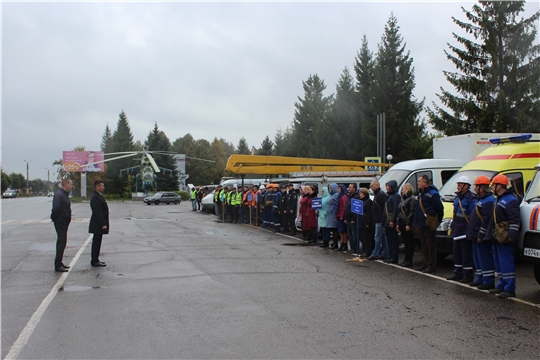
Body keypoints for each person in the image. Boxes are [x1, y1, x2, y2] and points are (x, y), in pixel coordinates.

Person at [486, 174, 521, 298]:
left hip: (505, 237)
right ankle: (501, 285)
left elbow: (515, 219)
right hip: (498, 236)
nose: (492, 188)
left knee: (506, 262)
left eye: (494, 185)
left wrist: (511, 235)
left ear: (499, 186)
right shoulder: (500, 199)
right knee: (499, 262)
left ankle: (509, 288)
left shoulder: (510, 200)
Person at [466, 176, 496, 289]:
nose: (474, 189)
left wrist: (481, 234)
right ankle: (480, 278)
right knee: (477, 258)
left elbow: (486, 220)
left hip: (481, 235)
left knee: (485, 257)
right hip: (475, 233)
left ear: (481, 188)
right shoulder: (481, 199)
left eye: (476, 186)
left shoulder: (488, 201)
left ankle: (488, 281)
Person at [447, 176, 477, 283]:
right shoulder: (457, 198)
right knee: (457, 253)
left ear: (466, 186)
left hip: (465, 231)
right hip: (457, 230)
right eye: (458, 185)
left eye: (460, 185)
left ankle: (468, 276)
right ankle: (457, 273)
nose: (458, 187)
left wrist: (469, 231)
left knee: (466, 255)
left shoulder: (471, 199)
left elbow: (473, 217)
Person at [413, 175, 444, 274]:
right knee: (424, 245)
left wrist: (437, 221)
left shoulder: (432, 194)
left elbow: (439, 208)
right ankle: (425, 263)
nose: (418, 183)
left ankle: (431, 266)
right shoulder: (422, 194)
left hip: (428, 223)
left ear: (425, 183)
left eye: (419, 181)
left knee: (431, 246)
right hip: (422, 223)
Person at [51, 178, 73, 272]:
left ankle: (60, 262)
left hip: (64, 221)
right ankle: (58, 264)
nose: (72, 186)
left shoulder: (64, 194)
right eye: (71, 184)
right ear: (66, 184)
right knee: (61, 241)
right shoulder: (59, 195)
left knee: (63, 242)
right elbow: (56, 208)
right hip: (60, 221)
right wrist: (54, 218)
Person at [89, 180, 109, 267]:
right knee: (96, 242)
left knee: (98, 242)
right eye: (101, 186)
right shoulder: (95, 197)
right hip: (97, 224)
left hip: (98, 224)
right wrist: (102, 224)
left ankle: (96, 259)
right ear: (97, 187)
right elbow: (98, 212)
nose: (103, 187)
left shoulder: (97, 195)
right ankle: (94, 260)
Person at [396, 183, 416, 267]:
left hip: (407, 223)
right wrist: (398, 223)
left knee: (409, 243)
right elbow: (399, 212)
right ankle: (406, 259)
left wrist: (408, 223)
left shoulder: (411, 199)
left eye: (403, 189)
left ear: (407, 189)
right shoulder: (403, 199)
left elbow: (412, 212)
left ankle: (409, 260)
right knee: (405, 242)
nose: (402, 190)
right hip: (402, 222)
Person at [368, 180, 389, 261]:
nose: (371, 187)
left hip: (380, 219)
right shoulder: (378, 194)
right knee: (383, 237)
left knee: (377, 237)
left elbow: (384, 208)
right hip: (378, 219)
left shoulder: (380, 195)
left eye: (372, 186)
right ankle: (385, 253)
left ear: (376, 186)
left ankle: (375, 254)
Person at [383, 180, 401, 264]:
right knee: (389, 239)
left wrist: (392, 220)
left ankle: (394, 257)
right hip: (386, 220)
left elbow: (395, 209)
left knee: (393, 240)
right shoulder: (389, 196)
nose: (387, 188)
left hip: (391, 219)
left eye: (388, 187)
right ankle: (390, 256)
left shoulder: (396, 196)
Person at [343, 183, 361, 254]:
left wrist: (354, 219)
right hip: (348, 219)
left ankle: (356, 248)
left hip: (352, 219)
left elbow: (356, 209)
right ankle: (352, 248)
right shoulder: (349, 197)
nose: (348, 189)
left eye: (350, 187)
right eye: (348, 187)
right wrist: (345, 218)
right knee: (350, 235)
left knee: (354, 235)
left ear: (354, 189)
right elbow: (347, 208)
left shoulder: (356, 197)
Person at [358, 188, 373, 258]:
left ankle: (368, 251)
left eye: (361, 193)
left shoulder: (368, 201)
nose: (360, 195)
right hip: (361, 221)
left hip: (365, 221)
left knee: (367, 238)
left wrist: (367, 222)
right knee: (362, 237)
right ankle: (364, 250)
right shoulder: (361, 201)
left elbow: (369, 213)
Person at [326, 184, 339, 249]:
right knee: (332, 230)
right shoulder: (331, 195)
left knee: (335, 230)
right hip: (330, 215)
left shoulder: (336, 195)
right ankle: (334, 243)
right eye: (329, 189)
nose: (329, 190)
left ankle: (335, 243)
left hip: (333, 214)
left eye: (330, 188)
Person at [336, 184, 348, 252]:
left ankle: (345, 243)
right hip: (339, 215)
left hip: (342, 215)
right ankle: (342, 243)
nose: (338, 190)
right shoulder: (339, 196)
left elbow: (344, 207)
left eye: (339, 188)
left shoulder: (344, 197)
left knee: (344, 231)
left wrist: (342, 216)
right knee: (341, 231)